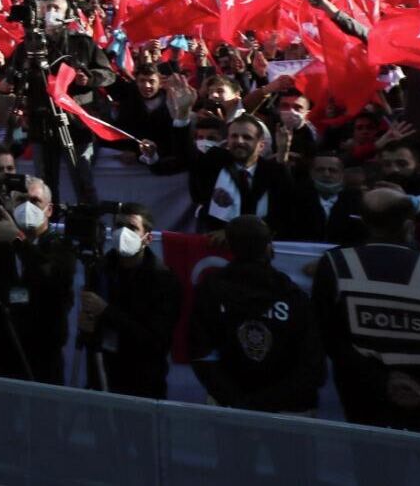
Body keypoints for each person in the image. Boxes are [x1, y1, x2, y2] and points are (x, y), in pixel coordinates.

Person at [313, 188, 420, 431]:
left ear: (363, 222)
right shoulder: (337, 263)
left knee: (371, 465)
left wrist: (383, 381)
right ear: (408, 225)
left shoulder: (335, 264)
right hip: (410, 393)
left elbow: (327, 334)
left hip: (362, 392)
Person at [189, 216, 325, 414]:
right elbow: (313, 362)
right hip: (286, 411)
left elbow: (201, 352)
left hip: (235, 407)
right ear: (269, 246)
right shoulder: (295, 297)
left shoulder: (210, 290)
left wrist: (238, 401)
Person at [0, 175, 77, 384]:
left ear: (49, 210)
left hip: (41, 351)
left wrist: (17, 240)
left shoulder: (61, 246)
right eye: (21, 200)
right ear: (9, 203)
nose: (27, 206)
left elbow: (51, 276)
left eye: (35, 201)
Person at [6, 0, 115, 204]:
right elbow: (13, 75)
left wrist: (89, 78)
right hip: (41, 124)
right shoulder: (27, 45)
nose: (51, 12)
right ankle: (46, 223)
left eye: (56, 7)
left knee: (82, 180)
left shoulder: (83, 43)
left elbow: (109, 74)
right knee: (43, 186)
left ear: (67, 12)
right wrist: (10, 79)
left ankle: (87, 225)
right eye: (46, 7)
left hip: (76, 124)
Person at [143, 113, 323, 241]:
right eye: (234, 136)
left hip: (259, 252)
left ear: (261, 145)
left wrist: (234, 233)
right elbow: (187, 156)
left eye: (247, 137)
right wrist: (182, 118)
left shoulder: (273, 171)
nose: (239, 141)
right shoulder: (215, 160)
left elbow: (283, 212)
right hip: (213, 247)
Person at [77, 204, 181, 398]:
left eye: (132, 227)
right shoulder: (101, 269)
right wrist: (88, 325)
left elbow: (156, 340)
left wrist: (107, 312)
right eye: (118, 225)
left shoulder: (163, 279)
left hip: (143, 379)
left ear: (147, 238)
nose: (123, 232)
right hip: (103, 371)